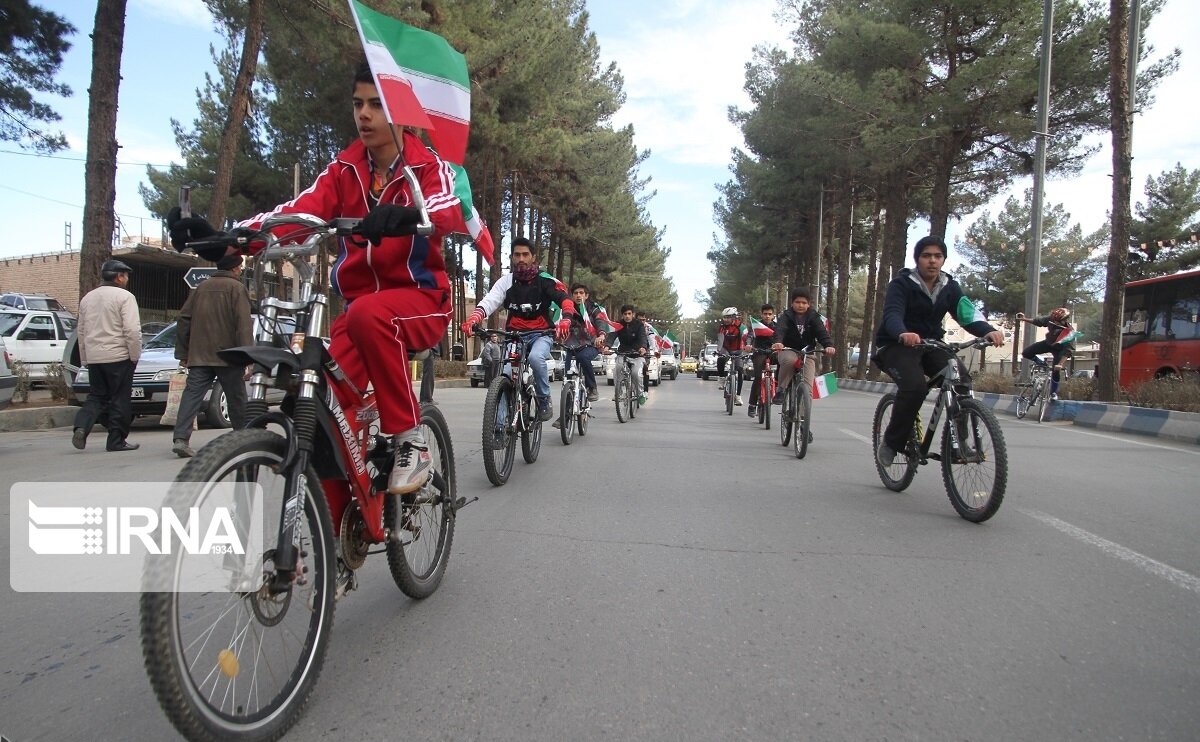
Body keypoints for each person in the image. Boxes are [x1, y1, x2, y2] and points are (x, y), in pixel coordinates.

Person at [168, 61, 461, 495]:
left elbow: (448, 208)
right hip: (361, 314)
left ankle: (410, 440)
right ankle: (334, 544)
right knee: (325, 414)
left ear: (399, 112)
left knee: (367, 315)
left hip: (420, 303)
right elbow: (294, 213)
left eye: (377, 105)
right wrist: (227, 238)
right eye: (358, 103)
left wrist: (410, 215)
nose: (363, 114)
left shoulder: (427, 167)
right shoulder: (343, 169)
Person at [872, 235, 1005, 466]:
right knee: (914, 388)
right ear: (917, 259)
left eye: (937, 256)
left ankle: (960, 444)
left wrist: (988, 330)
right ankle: (892, 443)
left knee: (961, 380)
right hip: (896, 345)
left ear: (943, 260)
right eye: (926, 256)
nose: (932, 261)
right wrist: (903, 332)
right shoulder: (901, 284)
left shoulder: (950, 286)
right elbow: (892, 314)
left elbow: (967, 315)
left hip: (932, 344)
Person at [462, 237, 574, 421]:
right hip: (514, 336)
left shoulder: (545, 280)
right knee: (505, 374)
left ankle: (544, 399)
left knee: (536, 358)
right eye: (517, 255)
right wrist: (474, 318)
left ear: (533, 257)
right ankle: (498, 428)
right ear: (512, 257)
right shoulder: (506, 282)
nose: (521, 258)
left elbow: (565, 299)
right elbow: (490, 301)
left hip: (541, 334)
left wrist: (566, 320)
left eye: (525, 254)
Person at [170, 254, 254, 457]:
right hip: (229, 356)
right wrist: (248, 358)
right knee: (237, 399)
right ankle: (241, 439)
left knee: (191, 396)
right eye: (240, 267)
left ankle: (181, 439)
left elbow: (183, 319)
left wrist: (183, 352)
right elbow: (243, 324)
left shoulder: (201, 288)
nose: (241, 270)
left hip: (199, 355)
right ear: (235, 268)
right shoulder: (237, 288)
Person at [72, 259, 142, 452]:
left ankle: (81, 426)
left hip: (95, 358)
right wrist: (134, 355)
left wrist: (85, 358)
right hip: (119, 356)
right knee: (120, 399)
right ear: (119, 277)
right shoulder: (125, 297)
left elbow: (82, 331)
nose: (126, 279)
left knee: (96, 396)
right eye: (125, 275)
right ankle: (116, 441)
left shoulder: (88, 298)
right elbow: (132, 330)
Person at [771, 290, 836, 438]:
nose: (801, 305)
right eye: (798, 302)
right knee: (789, 360)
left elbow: (822, 333)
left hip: (808, 352)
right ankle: (781, 389)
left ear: (809, 304)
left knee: (808, 387)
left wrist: (828, 345)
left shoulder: (813, 317)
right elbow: (780, 330)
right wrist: (778, 342)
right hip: (788, 349)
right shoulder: (786, 316)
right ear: (792, 303)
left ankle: (803, 424)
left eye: (804, 303)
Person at [1016, 307, 1077, 399]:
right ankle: (1041, 363)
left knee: (1056, 370)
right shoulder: (1051, 319)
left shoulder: (1070, 332)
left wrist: (1060, 364)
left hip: (1060, 350)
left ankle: (1053, 392)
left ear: (1064, 320)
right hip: (1048, 343)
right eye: (1053, 320)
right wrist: (1024, 319)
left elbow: (1068, 351)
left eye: (1057, 321)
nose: (1054, 322)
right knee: (1026, 352)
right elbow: (1038, 321)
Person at [600, 304, 649, 406]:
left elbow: (643, 338)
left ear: (633, 314)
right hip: (622, 352)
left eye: (629, 314)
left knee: (636, 373)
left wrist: (643, 348)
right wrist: (607, 347)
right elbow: (611, 336)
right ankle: (619, 393)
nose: (627, 316)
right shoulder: (618, 324)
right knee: (617, 369)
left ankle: (640, 394)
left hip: (637, 354)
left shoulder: (639, 325)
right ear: (622, 315)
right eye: (625, 314)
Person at [563, 283, 602, 402]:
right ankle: (566, 414)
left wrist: (601, 335)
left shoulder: (593, 308)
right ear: (572, 295)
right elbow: (562, 321)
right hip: (571, 346)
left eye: (581, 293)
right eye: (575, 293)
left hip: (590, 344)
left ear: (586, 295)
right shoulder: (568, 308)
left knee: (583, 357)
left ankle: (592, 387)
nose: (578, 296)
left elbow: (601, 321)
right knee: (567, 378)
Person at [746, 303, 777, 418]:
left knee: (781, 366)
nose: (767, 316)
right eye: (765, 314)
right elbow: (749, 336)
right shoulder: (756, 326)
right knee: (758, 378)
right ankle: (752, 405)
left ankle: (779, 391)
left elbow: (781, 338)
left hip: (773, 353)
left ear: (773, 315)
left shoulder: (777, 326)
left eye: (770, 314)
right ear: (761, 314)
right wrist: (748, 345)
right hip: (759, 352)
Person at [715, 306, 746, 405]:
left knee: (740, 370)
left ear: (734, 317)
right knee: (720, 359)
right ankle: (721, 378)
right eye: (724, 317)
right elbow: (720, 340)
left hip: (738, 350)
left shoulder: (741, 327)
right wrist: (719, 350)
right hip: (726, 349)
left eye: (728, 317)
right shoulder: (722, 327)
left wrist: (744, 352)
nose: (726, 320)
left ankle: (738, 396)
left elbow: (745, 340)